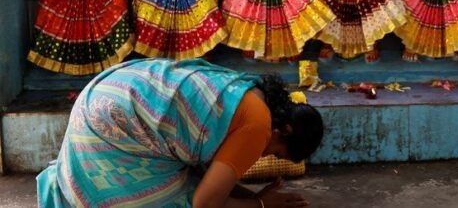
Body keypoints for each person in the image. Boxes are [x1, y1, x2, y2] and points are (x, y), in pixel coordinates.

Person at [37, 58, 323, 207]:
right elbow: (204, 203)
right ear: (284, 130)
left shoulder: (248, 91)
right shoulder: (259, 125)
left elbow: (206, 178)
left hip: (96, 105)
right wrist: (261, 205)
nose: (263, 154)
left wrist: (249, 197)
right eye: (274, 150)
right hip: (110, 135)